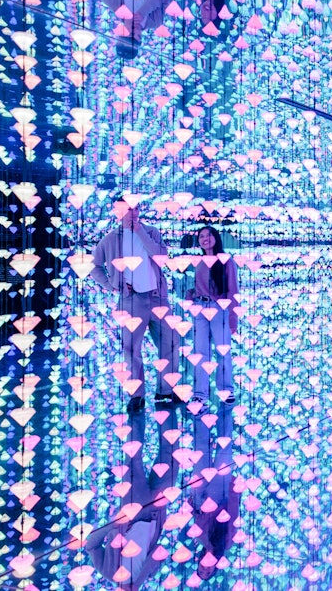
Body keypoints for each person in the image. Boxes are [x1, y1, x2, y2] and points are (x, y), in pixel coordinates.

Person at [92, 197, 179, 412]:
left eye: (135, 208)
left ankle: (165, 391)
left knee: (170, 343)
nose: (132, 212)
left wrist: (139, 230)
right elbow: (94, 266)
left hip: (158, 297)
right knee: (131, 349)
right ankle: (137, 394)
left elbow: (161, 257)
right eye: (127, 209)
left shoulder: (151, 231)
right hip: (131, 301)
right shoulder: (110, 239)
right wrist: (112, 285)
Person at [84, 404, 180, 589]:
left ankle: (136, 411)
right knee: (170, 459)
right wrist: (138, 583)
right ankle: (166, 406)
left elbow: (91, 545)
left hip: (132, 512)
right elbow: (160, 552)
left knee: (133, 459)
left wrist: (115, 525)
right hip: (156, 515)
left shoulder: (109, 573)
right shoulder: (149, 575)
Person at [186, 226, 239, 407]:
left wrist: (233, 318)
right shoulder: (198, 261)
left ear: (216, 238)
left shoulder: (226, 261)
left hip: (219, 309)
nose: (205, 239)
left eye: (209, 235)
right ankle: (200, 394)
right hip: (200, 309)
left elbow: (233, 291)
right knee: (201, 353)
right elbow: (198, 286)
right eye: (201, 236)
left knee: (222, 351)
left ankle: (227, 390)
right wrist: (190, 294)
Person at [188, 404, 241, 580]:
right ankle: (225, 408)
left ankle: (199, 411)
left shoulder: (200, 540)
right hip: (218, 495)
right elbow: (232, 516)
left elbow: (198, 517)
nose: (204, 568)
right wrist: (234, 490)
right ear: (215, 568)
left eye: (200, 570)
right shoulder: (226, 543)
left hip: (199, 496)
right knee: (224, 450)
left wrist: (191, 506)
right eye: (207, 572)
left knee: (200, 450)